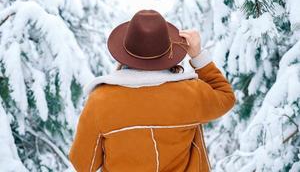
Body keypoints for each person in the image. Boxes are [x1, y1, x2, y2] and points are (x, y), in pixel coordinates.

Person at [69, 10, 236, 172]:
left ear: (124, 53)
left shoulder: (101, 100)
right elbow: (225, 97)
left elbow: (83, 164)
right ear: (169, 52)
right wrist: (198, 55)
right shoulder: (190, 93)